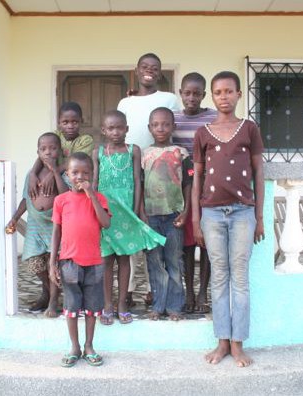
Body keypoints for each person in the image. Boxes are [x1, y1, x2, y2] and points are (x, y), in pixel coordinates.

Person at [192, 71, 265, 367]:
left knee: (240, 279)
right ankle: (222, 341)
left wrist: (259, 216)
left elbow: (259, 172)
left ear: (238, 95)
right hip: (211, 213)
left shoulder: (249, 128)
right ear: (213, 96)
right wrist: (196, 219)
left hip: (243, 212)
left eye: (229, 91)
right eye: (218, 92)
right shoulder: (203, 133)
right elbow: (197, 176)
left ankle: (238, 344)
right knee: (219, 278)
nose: (224, 96)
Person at [117, 52, 180, 308]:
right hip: (131, 169)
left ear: (160, 72)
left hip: (159, 170)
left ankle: (157, 290)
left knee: (157, 239)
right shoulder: (126, 102)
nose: (149, 71)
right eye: (144, 67)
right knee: (133, 230)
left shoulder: (168, 98)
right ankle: (131, 288)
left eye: (154, 68)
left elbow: (178, 125)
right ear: (136, 69)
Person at [92, 110, 166, 325]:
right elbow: (95, 182)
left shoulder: (134, 150)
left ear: (127, 129)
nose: (116, 132)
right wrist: (94, 210)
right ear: (104, 130)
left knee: (125, 259)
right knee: (106, 260)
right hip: (106, 211)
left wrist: (136, 211)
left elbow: (137, 179)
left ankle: (122, 303)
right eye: (111, 128)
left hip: (127, 212)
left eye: (120, 127)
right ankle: (107, 303)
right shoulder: (98, 152)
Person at [49, 152, 111, 368]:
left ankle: (89, 346)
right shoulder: (61, 200)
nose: (80, 177)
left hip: (94, 262)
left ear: (92, 175)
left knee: (93, 308)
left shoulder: (99, 198)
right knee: (72, 307)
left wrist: (92, 195)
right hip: (69, 262)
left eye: (85, 173)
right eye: (75, 172)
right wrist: (51, 263)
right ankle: (74, 347)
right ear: (67, 174)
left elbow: (106, 224)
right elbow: (56, 232)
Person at [6, 133, 67, 317]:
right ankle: (48, 291)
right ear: (38, 151)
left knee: (53, 265)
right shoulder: (31, 175)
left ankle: (53, 301)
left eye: (53, 148)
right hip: (34, 225)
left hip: (54, 226)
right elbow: (26, 198)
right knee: (34, 263)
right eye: (43, 149)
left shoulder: (64, 172)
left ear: (60, 151)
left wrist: (55, 173)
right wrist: (15, 218)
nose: (48, 152)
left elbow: (65, 196)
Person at [173, 72, 218, 314]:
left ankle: (203, 293)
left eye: (196, 94)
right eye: (187, 93)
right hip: (183, 190)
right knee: (188, 245)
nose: (191, 97)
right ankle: (189, 291)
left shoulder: (212, 118)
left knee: (207, 244)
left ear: (203, 95)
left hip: (209, 189)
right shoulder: (174, 119)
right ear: (181, 93)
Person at [141, 107, 192, 321]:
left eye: (165, 124)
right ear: (149, 128)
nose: (160, 128)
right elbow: (140, 184)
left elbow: (189, 184)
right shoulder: (143, 154)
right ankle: (158, 305)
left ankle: (174, 307)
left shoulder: (181, 153)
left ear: (174, 126)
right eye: (155, 125)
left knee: (174, 261)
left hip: (174, 216)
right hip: (151, 217)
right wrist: (142, 214)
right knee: (154, 262)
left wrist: (187, 210)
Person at [28, 102, 94, 199]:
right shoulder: (56, 135)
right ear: (59, 122)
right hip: (53, 171)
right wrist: (33, 173)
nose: (70, 126)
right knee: (31, 176)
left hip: (72, 175)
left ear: (82, 121)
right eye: (65, 122)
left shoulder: (85, 140)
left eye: (75, 122)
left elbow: (73, 162)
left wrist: (53, 174)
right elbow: (42, 156)